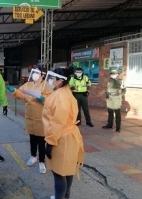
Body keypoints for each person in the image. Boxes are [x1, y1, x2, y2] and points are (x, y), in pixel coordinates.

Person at [42, 68, 84, 199]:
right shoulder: (66, 93)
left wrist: (50, 142)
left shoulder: (59, 96)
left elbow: (57, 123)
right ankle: (66, 196)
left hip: (61, 138)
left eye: (52, 79)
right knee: (68, 169)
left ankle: (61, 197)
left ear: (60, 81)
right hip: (69, 136)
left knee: (59, 173)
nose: (50, 81)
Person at [6, 67, 53, 174]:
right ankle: (33, 156)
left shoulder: (46, 86)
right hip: (30, 116)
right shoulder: (28, 85)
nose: (35, 75)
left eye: (37, 73)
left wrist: (43, 99)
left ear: (42, 75)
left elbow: (51, 100)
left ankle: (41, 161)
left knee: (41, 140)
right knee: (32, 137)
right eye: (34, 72)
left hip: (41, 117)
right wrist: (14, 91)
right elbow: (22, 94)